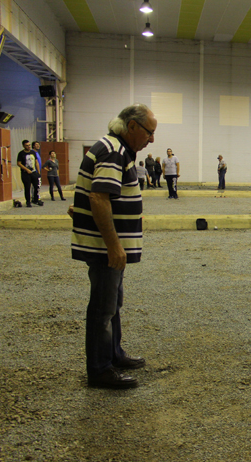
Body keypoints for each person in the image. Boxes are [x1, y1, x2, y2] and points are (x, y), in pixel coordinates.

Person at [71, 103, 156, 389]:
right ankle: (99, 369)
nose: (151, 140)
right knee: (103, 307)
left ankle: (114, 354)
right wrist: (114, 247)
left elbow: (95, 195)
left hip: (107, 246)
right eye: (149, 132)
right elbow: (99, 198)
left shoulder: (115, 149)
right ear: (132, 126)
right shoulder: (114, 151)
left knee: (113, 303)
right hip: (105, 248)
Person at [17, 140, 41, 207]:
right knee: (27, 187)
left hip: (33, 172)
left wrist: (38, 172)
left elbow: (36, 162)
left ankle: (36, 199)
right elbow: (19, 163)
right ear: (24, 146)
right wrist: (26, 169)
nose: (28, 146)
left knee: (37, 186)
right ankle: (28, 201)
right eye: (27, 145)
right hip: (25, 173)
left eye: (29, 145)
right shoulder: (21, 153)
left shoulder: (33, 152)